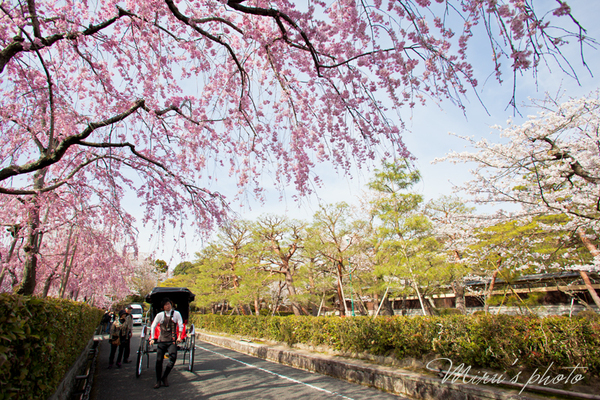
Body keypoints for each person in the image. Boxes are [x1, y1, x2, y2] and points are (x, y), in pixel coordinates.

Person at [149, 298, 184, 389]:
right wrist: (152, 338)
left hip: (172, 340)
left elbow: (180, 324)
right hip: (162, 340)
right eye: (166, 305)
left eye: (169, 304)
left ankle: (165, 376)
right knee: (159, 360)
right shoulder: (160, 315)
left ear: (171, 305)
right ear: (163, 307)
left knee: (173, 358)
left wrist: (179, 336)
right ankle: (158, 380)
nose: (168, 306)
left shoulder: (176, 314)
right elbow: (153, 326)